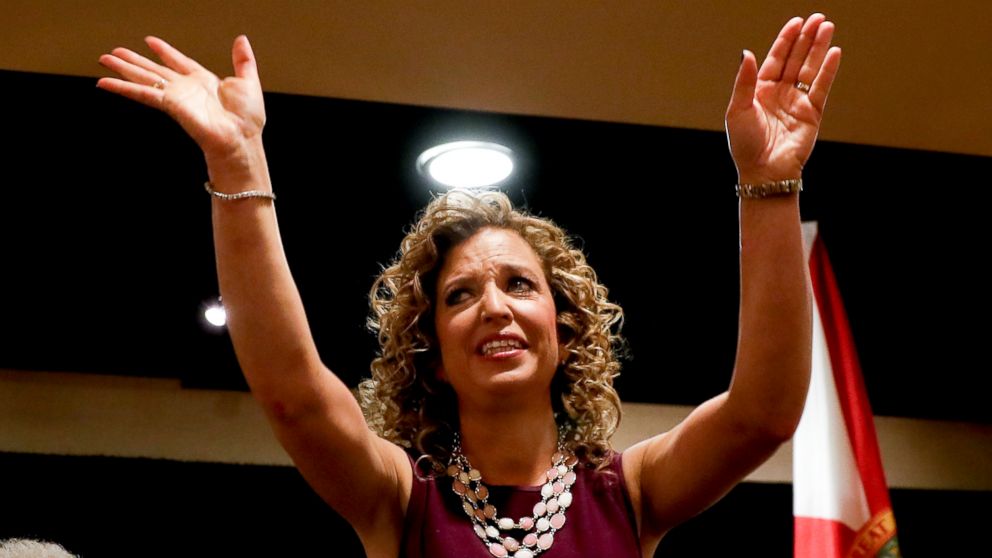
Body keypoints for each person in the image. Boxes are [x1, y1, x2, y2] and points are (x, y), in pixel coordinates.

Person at [97, 13, 841, 557]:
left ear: (565, 327)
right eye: (459, 295)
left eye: (519, 283)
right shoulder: (398, 497)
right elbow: (295, 395)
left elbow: (763, 418)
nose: (493, 307)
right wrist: (238, 165)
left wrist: (770, 186)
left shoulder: (632, 492)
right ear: (431, 351)